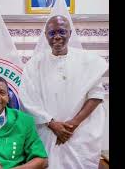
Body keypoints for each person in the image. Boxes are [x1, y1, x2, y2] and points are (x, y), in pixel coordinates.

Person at [19, 15, 108, 169]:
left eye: (62, 31)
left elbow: (96, 96)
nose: (57, 37)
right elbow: (27, 99)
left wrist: (73, 124)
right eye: (52, 33)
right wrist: (52, 124)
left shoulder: (88, 61)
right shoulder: (34, 64)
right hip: (47, 131)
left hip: (80, 132)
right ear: (46, 35)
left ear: (70, 33)